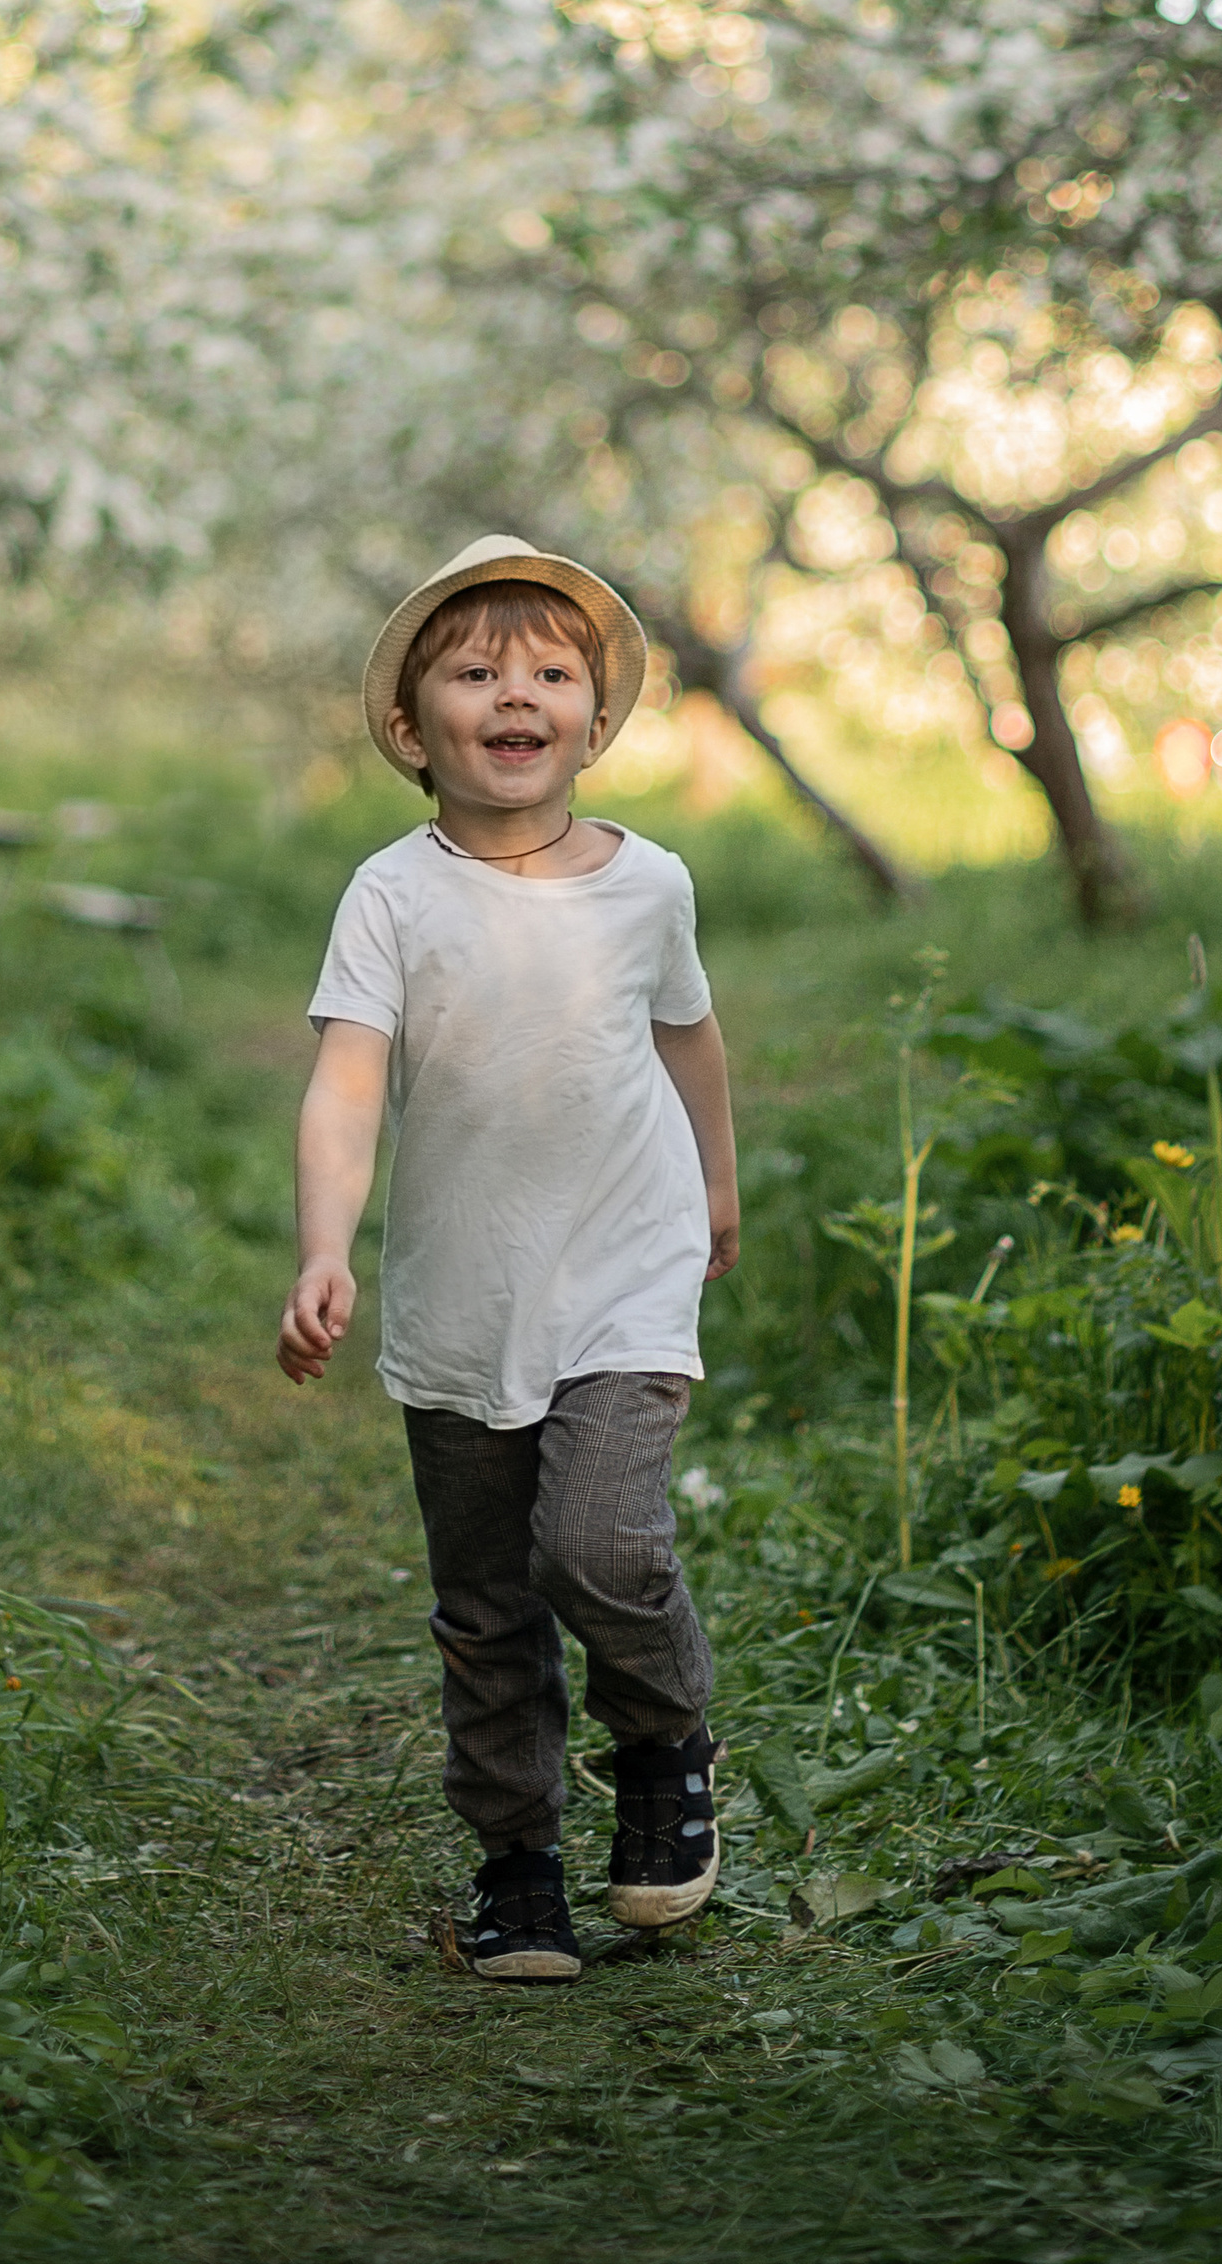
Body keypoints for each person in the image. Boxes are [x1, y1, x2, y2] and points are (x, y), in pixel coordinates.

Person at [277, 533, 740, 1982]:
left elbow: (689, 1038)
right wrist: (324, 1247)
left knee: (597, 1546)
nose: (516, 695)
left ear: (594, 723)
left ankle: (664, 1744)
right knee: (486, 1608)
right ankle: (518, 1864)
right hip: (464, 1296)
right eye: (476, 675)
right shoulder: (391, 895)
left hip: (627, 1267)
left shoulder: (649, 884)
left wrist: (718, 1185)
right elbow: (347, 1082)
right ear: (414, 729)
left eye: (549, 673)